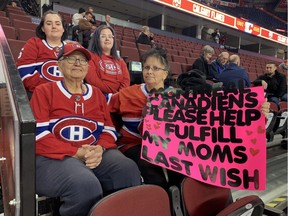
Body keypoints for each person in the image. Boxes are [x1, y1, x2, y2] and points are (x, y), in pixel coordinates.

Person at [30, 42, 141, 216]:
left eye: (82, 60)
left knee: (127, 170)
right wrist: (76, 153)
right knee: (85, 185)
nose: (77, 63)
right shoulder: (44, 91)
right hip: (54, 157)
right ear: (59, 64)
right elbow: (39, 136)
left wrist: (100, 148)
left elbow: (109, 129)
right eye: (71, 59)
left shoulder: (96, 94)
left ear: (88, 67)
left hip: (93, 152)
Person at [108, 47, 183, 190]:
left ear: (165, 74)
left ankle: (179, 202)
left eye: (155, 68)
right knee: (150, 167)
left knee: (181, 165)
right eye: (146, 67)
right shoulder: (126, 93)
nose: (149, 72)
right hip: (133, 144)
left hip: (165, 144)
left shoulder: (175, 96)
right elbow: (105, 110)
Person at [17, 10, 68, 96]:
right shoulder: (34, 43)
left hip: (69, 96)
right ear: (43, 28)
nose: (54, 26)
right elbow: (25, 72)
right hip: (42, 95)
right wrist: (50, 91)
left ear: (63, 29)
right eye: (49, 23)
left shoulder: (73, 48)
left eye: (58, 24)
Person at [85, 25, 130, 94]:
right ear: (96, 39)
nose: (107, 39)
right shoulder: (90, 56)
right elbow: (93, 81)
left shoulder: (120, 61)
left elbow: (126, 81)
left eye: (110, 36)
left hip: (119, 98)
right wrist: (113, 94)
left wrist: (118, 95)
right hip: (98, 96)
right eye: (103, 36)